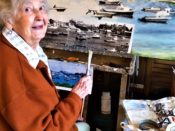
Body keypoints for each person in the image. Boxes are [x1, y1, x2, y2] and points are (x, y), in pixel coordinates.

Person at [0, 0, 92, 131]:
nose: (39, 16)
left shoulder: (28, 51)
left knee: (84, 126)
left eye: (42, 7)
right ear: (9, 20)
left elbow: (41, 104)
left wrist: (71, 107)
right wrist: (75, 98)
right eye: (28, 9)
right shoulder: (12, 68)